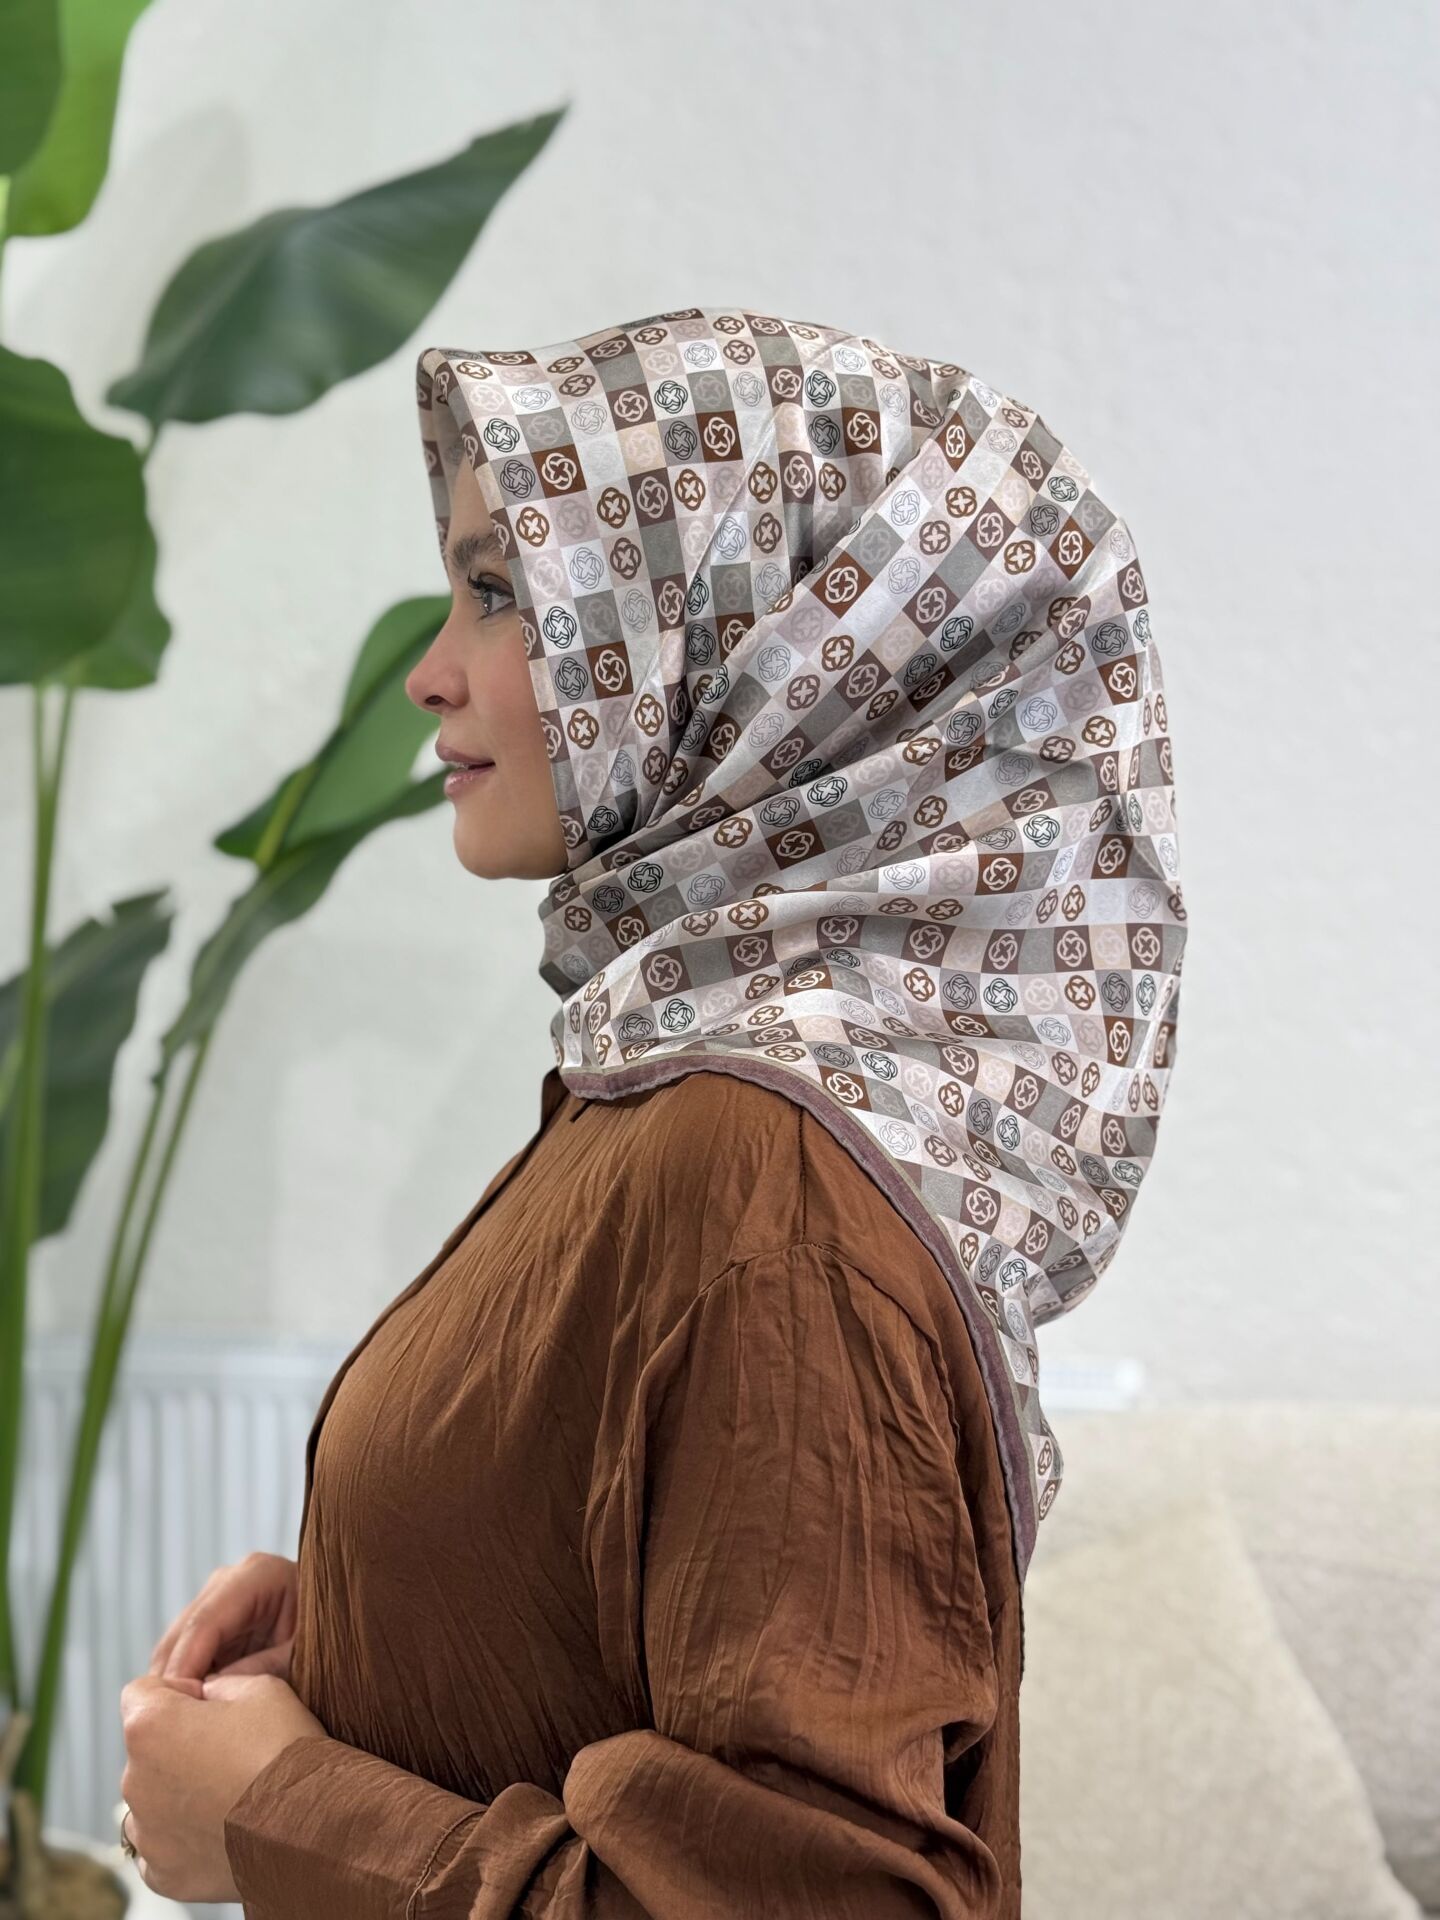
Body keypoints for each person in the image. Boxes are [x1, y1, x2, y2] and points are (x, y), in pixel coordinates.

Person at [118, 305, 1186, 1917]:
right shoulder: (683, 1098)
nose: (428, 672)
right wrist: (384, 1623)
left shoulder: (775, 1186)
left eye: (498, 590)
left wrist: (282, 1812)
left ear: (762, 656)